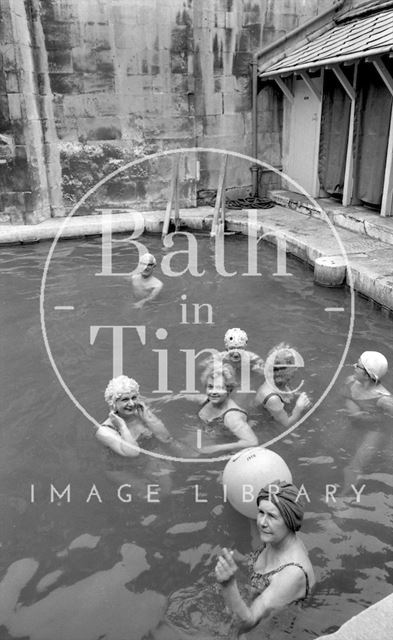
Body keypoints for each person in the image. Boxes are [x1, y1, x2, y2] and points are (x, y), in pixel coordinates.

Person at [215, 481, 315, 635]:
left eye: (272, 516)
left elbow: (247, 622)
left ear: (289, 521)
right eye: (261, 512)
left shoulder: (292, 574)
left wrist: (228, 585)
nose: (262, 522)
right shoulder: (277, 538)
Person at [182, 363, 258, 455]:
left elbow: (252, 442)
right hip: (206, 433)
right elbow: (189, 397)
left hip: (224, 440)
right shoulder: (205, 400)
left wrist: (216, 448)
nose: (213, 392)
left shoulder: (231, 417)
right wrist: (171, 398)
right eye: (210, 387)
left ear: (229, 389)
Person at [96, 375, 174, 457]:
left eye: (133, 398)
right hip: (124, 467)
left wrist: (148, 418)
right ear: (113, 403)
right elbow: (133, 454)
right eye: (125, 399)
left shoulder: (142, 414)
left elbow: (166, 438)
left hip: (154, 458)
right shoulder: (105, 431)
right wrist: (122, 427)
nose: (132, 403)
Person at [254, 343, 311, 427]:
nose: (296, 369)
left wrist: (299, 398)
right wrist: (298, 408)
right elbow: (286, 424)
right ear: (282, 371)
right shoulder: (272, 398)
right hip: (264, 426)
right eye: (293, 366)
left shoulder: (280, 382)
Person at [343, 351, 393, 420]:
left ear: (367, 375)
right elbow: (344, 396)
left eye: (358, 366)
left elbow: (387, 422)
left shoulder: (384, 400)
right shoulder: (351, 381)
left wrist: (365, 417)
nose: (354, 366)